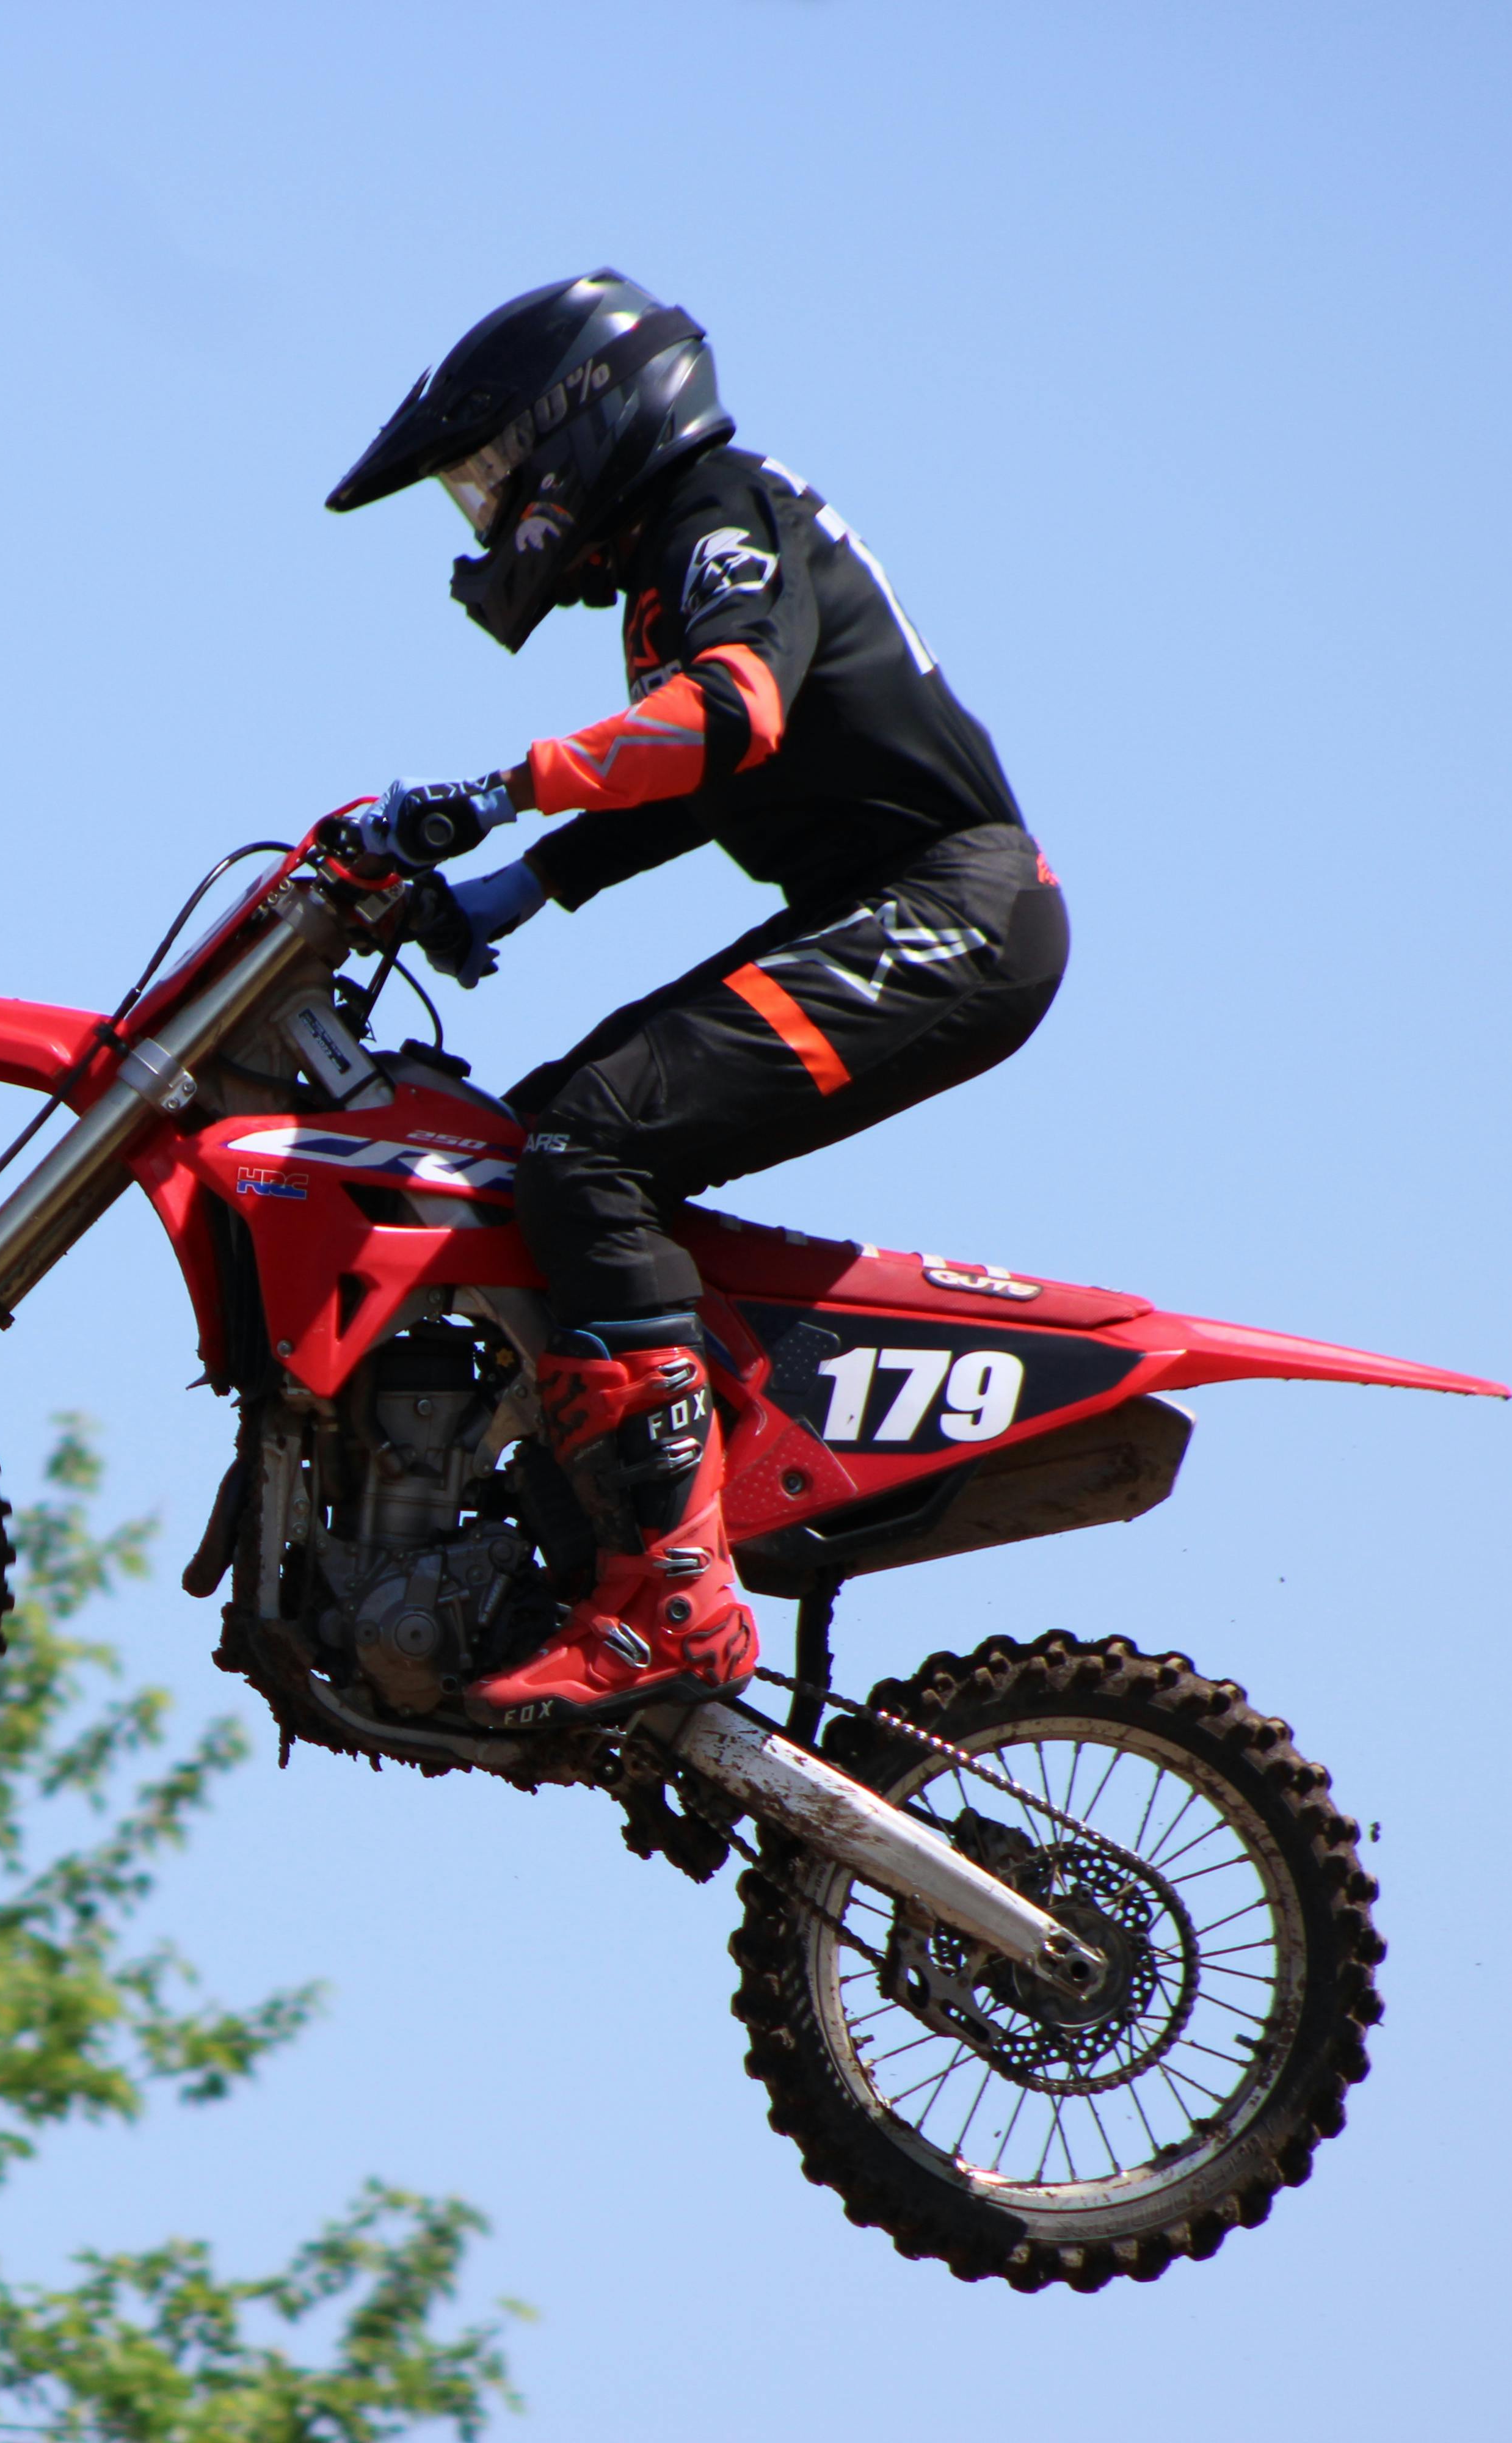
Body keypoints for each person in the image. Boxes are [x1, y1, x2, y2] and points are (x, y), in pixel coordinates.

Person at [325, 270, 1069, 1726]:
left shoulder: (716, 512)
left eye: (488, 474)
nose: (488, 513)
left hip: (955, 910)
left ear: (581, 421)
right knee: (539, 1136)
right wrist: (526, 883)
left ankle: (670, 1590)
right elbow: (704, 770)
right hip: (895, 904)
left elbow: (731, 711)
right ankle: (623, 1515)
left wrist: (498, 792)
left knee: (589, 1146)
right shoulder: (686, 537)